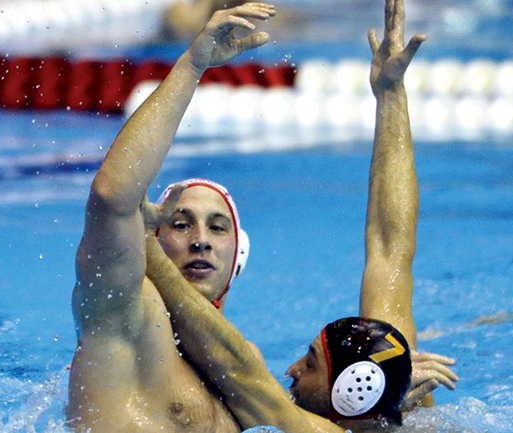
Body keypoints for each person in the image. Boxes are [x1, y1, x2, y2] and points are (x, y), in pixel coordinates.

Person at [142, 0, 458, 431]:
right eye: (181, 225)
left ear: (351, 394)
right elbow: (390, 248)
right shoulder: (376, 391)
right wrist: (390, 96)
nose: (290, 369)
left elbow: (236, 365)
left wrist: (141, 241)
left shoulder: (289, 415)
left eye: (310, 364)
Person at [66, 4, 285, 433]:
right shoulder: (126, 316)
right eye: (181, 224)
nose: (200, 240)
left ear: (238, 255)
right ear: (150, 239)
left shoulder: (245, 365)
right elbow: (111, 198)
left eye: (217, 227)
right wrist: (192, 66)